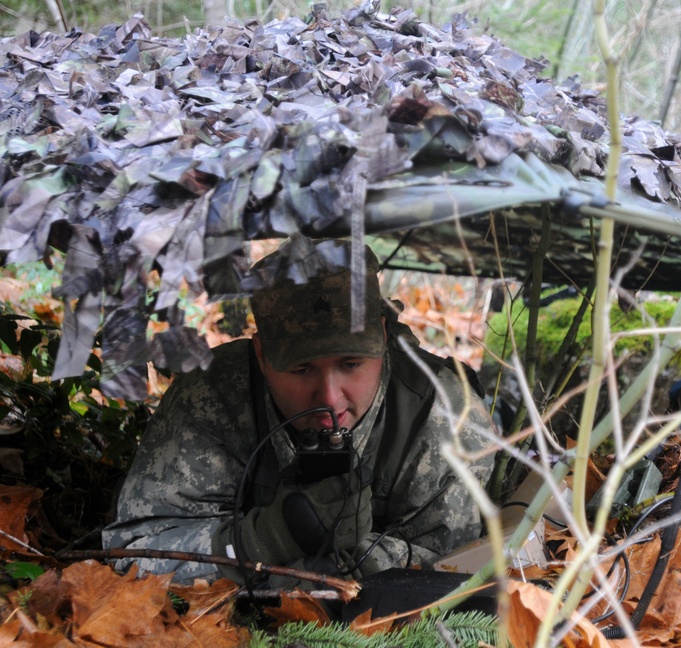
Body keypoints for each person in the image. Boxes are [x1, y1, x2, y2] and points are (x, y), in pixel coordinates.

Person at [102, 238, 495, 584]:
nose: (328, 396)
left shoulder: (443, 415)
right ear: (261, 354)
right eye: (301, 369)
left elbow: (455, 573)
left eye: (350, 364)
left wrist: (347, 560)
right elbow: (137, 550)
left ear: (383, 338)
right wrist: (267, 540)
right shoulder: (213, 394)